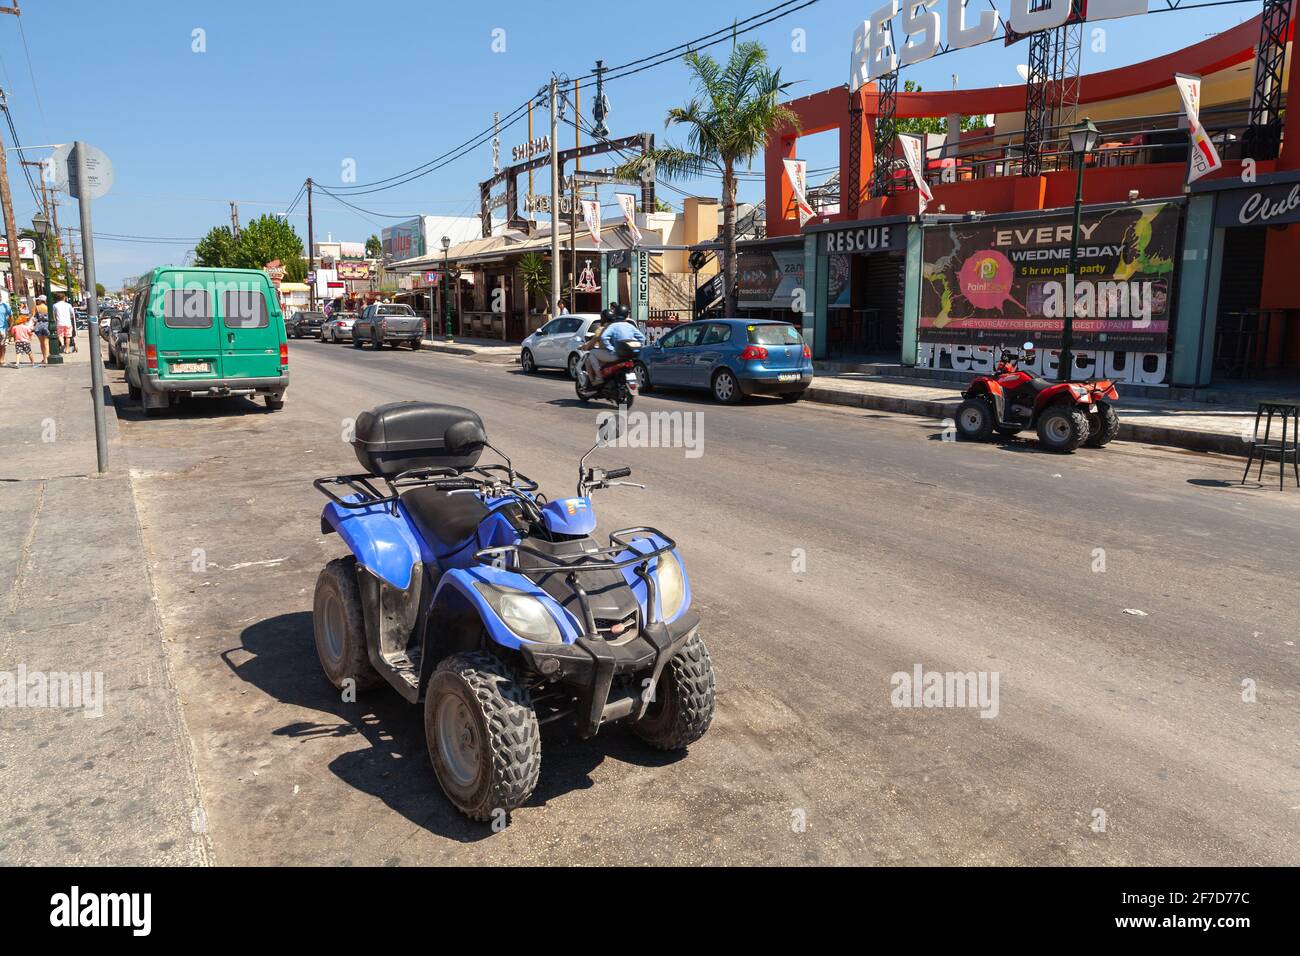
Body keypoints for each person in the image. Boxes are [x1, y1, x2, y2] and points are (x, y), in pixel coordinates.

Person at [581, 303, 645, 385]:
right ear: (626, 315)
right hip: (629, 357)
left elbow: (604, 337)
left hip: (615, 355)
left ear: (616, 314)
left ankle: (599, 377)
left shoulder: (613, 326)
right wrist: (637, 347)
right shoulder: (630, 326)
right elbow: (642, 338)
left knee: (592, 353)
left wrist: (611, 348)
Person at [32, 295, 50, 365]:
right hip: (46, 324)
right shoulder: (48, 308)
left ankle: (44, 357)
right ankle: (47, 358)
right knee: (46, 342)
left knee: (41, 343)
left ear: (40, 300)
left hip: (38, 325)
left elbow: (33, 317)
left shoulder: (36, 307)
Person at [0, 292, 10, 367]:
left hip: (3, 329)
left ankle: (2, 360)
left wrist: (10, 326)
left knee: (3, 345)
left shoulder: (5, 306)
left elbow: (11, 316)